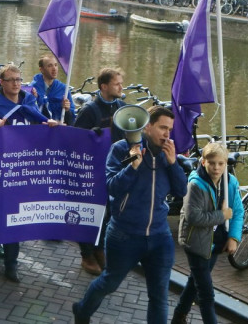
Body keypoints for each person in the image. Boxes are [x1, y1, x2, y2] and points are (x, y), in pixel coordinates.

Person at [72, 106, 187, 324]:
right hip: (125, 235)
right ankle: (82, 310)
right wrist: (132, 166)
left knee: (159, 295)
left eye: (170, 130)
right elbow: (112, 187)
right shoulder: (121, 150)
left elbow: (182, 191)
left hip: (159, 237)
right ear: (148, 126)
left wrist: (173, 164)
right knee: (109, 282)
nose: (167, 134)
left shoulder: (168, 154)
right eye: (163, 128)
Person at [0, 64, 58, 283]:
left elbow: (40, 124)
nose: (16, 83)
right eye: (11, 80)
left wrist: (49, 124)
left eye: (19, 79)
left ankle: (11, 263)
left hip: (23, 168)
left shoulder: (29, 101)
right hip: (1, 168)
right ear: (1, 82)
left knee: (15, 217)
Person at [172, 142, 243, 324]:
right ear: (203, 162)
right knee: (206, 294)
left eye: (221, 163)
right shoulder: (195, 185)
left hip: (215, 241)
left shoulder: (231, 182)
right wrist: (222, 215)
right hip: (196, 243)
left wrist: (233, 237)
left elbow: (238, 210)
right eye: (212, 163)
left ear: (226, 163)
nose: (216, 167)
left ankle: (179, 315)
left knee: (195, 282)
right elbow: (194, 217)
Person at [72, 67, 127, 275]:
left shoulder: (122, 107)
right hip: (91, 172)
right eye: (117, 84)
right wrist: (90, 136)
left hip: (113, 170)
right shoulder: (90, 111)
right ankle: (86, 254)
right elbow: (74, 141)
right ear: (104, 87)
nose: (121, 87)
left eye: (121, 83)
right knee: (89, 214)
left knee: (109, 213)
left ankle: (99, 248)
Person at [30, 55, 76, 124]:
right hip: (39, 129)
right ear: (41, 69)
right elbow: (28, 114)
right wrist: (36, 99)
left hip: (58, 130)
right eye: (50, 66)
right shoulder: (33, 88)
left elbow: (71, 121)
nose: (54, 68)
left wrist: (67, 110)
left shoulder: (64, 89)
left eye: (56, 65)